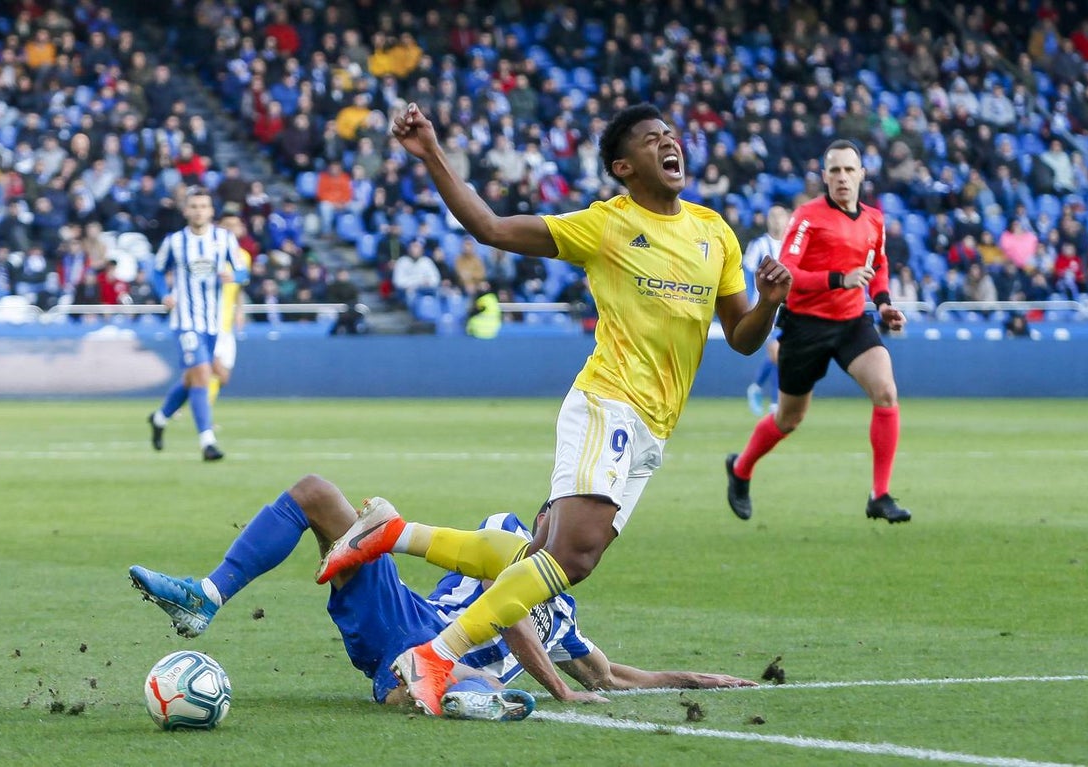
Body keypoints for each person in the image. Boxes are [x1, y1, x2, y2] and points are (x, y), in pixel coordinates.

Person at [313, 102, 791, 716]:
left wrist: (770, 302)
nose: (670, 144)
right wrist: (432, 152)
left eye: (671, 135)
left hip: (653, 429)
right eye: (652, 140)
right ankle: (435, 656)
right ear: (624, 166)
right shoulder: (605, 226)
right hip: (607, 403)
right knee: (573, 555)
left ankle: (396, 533)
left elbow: (742, 334)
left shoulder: (714, 232)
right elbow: (488, 227)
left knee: (543, 560)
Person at [128, 477, 757, 720]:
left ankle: (449, 694)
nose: (554, 534)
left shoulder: (564, 614)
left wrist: (695, 678)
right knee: (317, 494)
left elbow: (615, 676)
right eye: (552, 521)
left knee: (437, 679)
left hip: (432, 657)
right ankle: (205, 595)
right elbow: (510, 618)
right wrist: (560, 690)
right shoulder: (508, 537)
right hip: (412, 616)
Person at [725, 139, 911, 524]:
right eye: (835, 170)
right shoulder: (808, 216)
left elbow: (880, 264)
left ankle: (880, 494)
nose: (842, 177)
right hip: (805, 327)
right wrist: (839, 279)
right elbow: (787, 274)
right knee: (789, 419)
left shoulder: (874, 219)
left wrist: (884, 301)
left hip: (851, 323)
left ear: (862, 174)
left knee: (886, 392)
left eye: (849, 169)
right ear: (824, 176)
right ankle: (741, 468)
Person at [147, 187, 248, 461]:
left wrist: (234, 276)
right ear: (186, 210)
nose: (199, 211)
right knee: (203, 374)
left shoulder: (224, 239)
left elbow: (242, 269)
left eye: (203, 206)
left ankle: (159, 418)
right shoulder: (175, 241)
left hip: (213, 323)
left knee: (193, 379)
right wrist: (164, 294)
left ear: (211, 211)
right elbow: (156, 270)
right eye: (194, 206)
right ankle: (208, 442)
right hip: (185, 321)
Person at [742, 205, 790, 422]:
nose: (777, 221)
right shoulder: (759, 245)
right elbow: (747, 272)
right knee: (776, 354)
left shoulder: (792, 244)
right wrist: (752, 303)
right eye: (773, 217)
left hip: (788, 309)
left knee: (782, 355)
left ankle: (756, 386)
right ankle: (775, 405)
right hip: (765, 307)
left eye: (781, 217)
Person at [209, 209, 253, 406]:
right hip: (210, 320)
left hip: (228, 323)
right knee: (214, 370)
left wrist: (240, 311)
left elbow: (239, 288)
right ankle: (199, 411)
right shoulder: (210, 253)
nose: (231, 230)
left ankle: (192, 406)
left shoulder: (244, 257)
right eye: (227, 226)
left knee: (223, 373)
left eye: (235, 226)